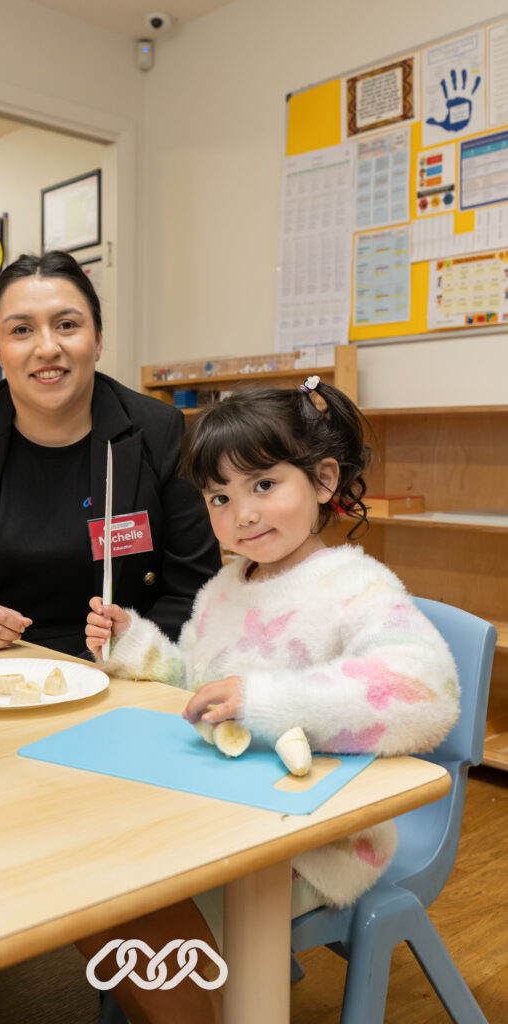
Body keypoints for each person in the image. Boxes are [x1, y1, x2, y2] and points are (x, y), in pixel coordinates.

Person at [80, 376, 460, 1024]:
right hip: (220, 813)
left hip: (320, 841)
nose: (242, 515)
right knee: (88, 886)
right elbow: (203, 687)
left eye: (263, 485)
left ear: (322, 480)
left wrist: (268, 701)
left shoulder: (354, 586)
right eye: (219, 497)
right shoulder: (225, 587)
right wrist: (135, 645)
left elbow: (427, 694)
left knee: (130, 912)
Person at [0, 251, 221, 657]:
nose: (47, 347)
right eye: (21, 329)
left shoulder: (158, 430)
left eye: (67, 325)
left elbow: (196, 590)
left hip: (120, 672)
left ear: (97, 340)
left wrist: (132, 646)